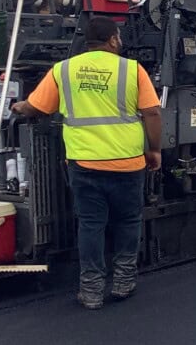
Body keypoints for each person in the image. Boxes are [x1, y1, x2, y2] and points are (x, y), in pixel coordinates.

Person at [12, 17, 162, 309]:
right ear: (114, 39)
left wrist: (19, 106)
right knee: (128, 221)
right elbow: (152, 113)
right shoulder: (132, 70)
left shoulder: (63, 70)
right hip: (127, 163)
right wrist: (154, 150)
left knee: (91, 224)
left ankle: (91, 290)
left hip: (84, 164)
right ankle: (123, 281)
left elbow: (37, 107)